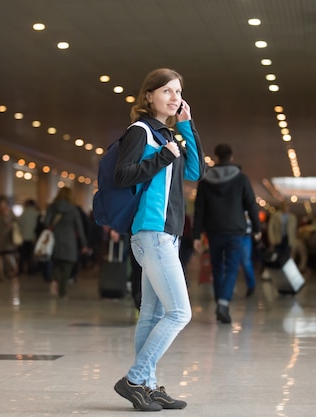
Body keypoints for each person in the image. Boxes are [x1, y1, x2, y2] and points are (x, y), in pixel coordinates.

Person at [113, 68, 205, 411]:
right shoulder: (140, 132)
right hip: (152, 233)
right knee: (180, 313)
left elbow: (197, 172)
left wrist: (186, 126)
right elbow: (123, 175)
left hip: (168, 235)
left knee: (151, 315)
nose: (174, 97)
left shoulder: (169, 134)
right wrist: (162, 156)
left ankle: (147, 387)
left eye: (178, 91)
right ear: (148, 96)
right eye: (166, 91)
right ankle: (135, 379)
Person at [192, 143, 261, 324]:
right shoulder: (241, 179)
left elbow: (199, 209)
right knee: (231, 267)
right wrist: (257, 228)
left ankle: (220, 302)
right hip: (235, 231)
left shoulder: (205, 180)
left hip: (214, 231)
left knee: (217, 267)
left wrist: (196, 235)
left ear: (216, 158)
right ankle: (223, 303)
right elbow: (251, 205)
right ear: (231, 158)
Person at [44, 187, 87, 298]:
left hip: (55, 239)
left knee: (56, 262)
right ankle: (62, 291)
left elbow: (46, 222)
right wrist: (84, 244)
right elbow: (79, 228)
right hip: (69, 240)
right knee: (68, 265)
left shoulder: (53, 207)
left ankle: (54, 280)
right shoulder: (73, 209)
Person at [17, 199, 40, 275]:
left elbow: (19, 223)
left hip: (25, 237)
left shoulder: (24, 214)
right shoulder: (37, 214)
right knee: (32, 255)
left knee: (23, 255)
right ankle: (32, 270)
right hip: (34, 237)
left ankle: (22, 270)